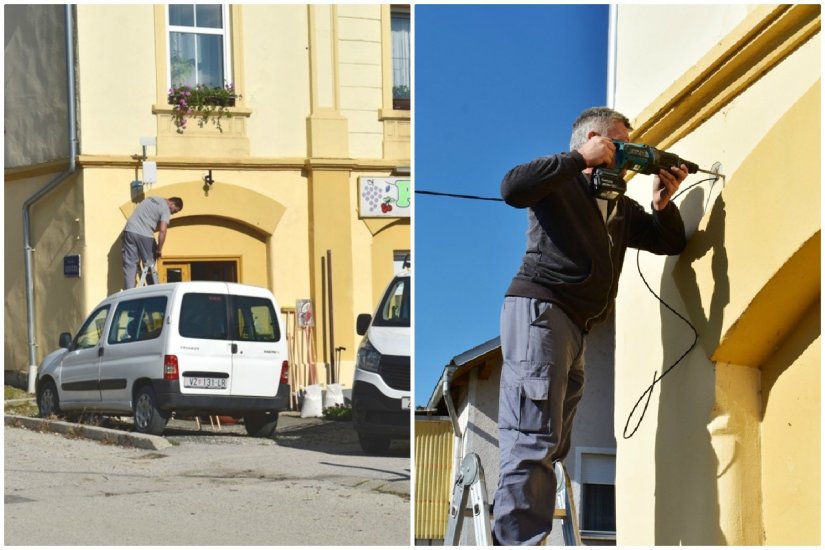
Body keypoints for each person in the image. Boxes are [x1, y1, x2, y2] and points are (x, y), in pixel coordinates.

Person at [493, 107, 688, 545]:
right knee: (531, 438)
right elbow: (511, 187)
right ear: (595, 140)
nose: (627, 161)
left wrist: (663, 205)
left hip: (576, 328)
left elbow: (669, 241)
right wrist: (578, 159)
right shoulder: (558, 181)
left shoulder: (618, 208)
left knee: (551, 445)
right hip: (542, 312)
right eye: (620, 147)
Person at [122, 196, 183, 289]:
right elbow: (163, 230)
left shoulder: (151, 198)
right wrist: (159, 249)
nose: (172, 213)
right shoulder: (165, 208)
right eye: (174, 211)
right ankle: (154, 290)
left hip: (129, 231)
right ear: (172, 204)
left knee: (130, 264)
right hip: (145, 234)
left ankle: (129, 291)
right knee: (149, 264)